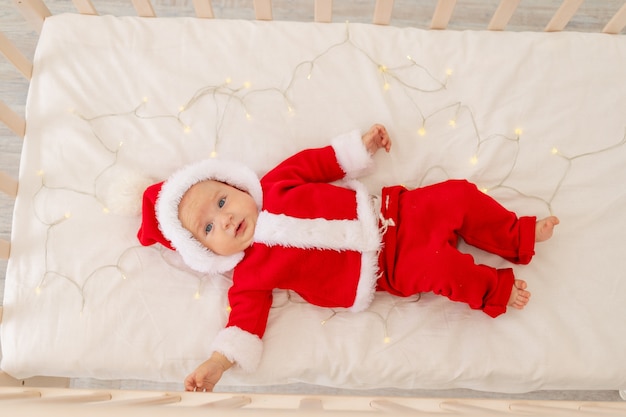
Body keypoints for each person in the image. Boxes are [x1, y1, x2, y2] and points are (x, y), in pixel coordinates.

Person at [137, 124, 559, 392]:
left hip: (393, 212)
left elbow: (320, 163)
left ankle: (515, 234)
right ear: (204, 252)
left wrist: (361, 146)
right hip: (387, 268)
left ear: (237, 185)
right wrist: (219, 361)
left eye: (223, 201)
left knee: (460, 195)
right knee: (443, 269)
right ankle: (495, 289)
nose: (226, 219)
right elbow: (244, 322)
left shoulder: (277, 183)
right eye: (208, 229)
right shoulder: (249, 275)